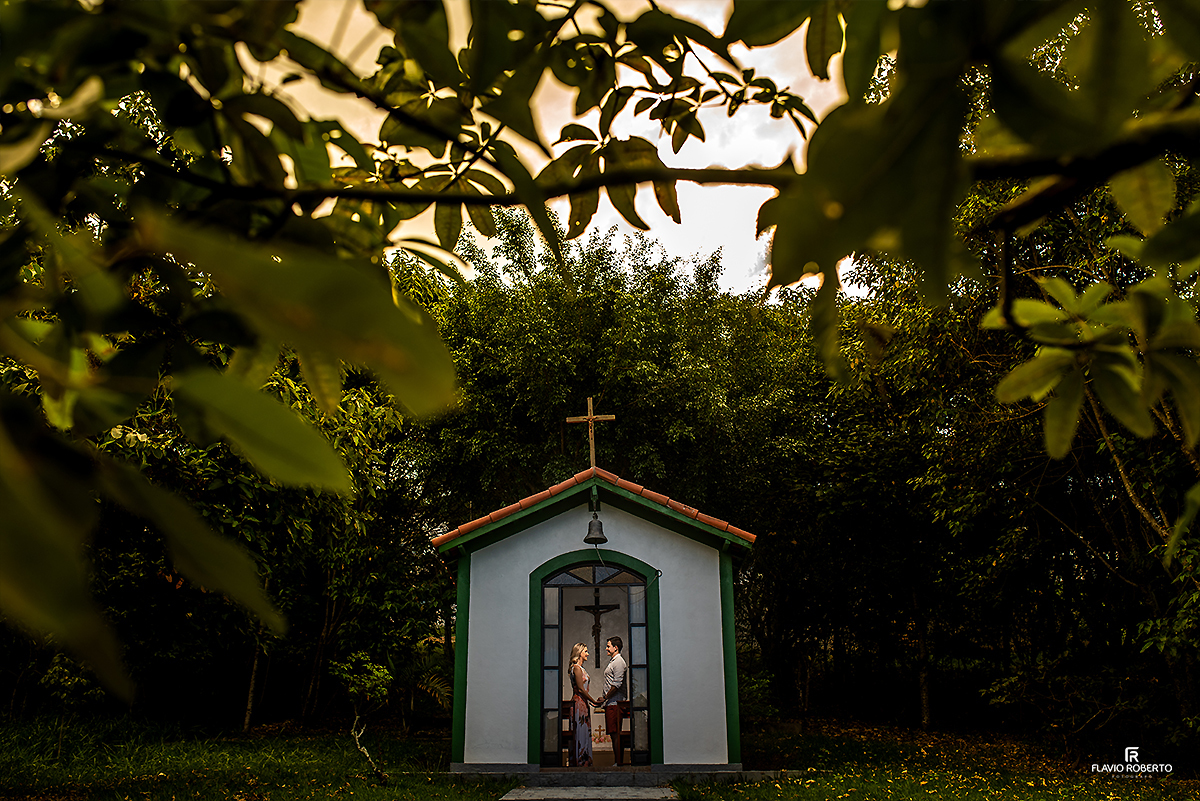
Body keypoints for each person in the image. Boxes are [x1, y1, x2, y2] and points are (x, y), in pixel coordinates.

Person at [595, 636, 628, 766]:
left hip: (615, 702)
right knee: (613, 733)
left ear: (616, 647)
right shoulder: (613, 661)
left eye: (608, 646)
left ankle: (618, 761)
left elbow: (617, 683)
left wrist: (606, 697)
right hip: (610, 702)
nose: (606, 648)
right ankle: (617, 760)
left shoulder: (619, 662)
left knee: (616, 733)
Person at [567, 642, 599, 767]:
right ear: (579, 653)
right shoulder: (576, 668)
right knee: (580, 732)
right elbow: (580, 689)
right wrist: (593, 700)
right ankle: (579, 760)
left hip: (583, 703)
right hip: (579, 703)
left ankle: (585, 760)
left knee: (584, 731)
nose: (587, 654)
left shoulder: (581, 668)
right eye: (585, 651)